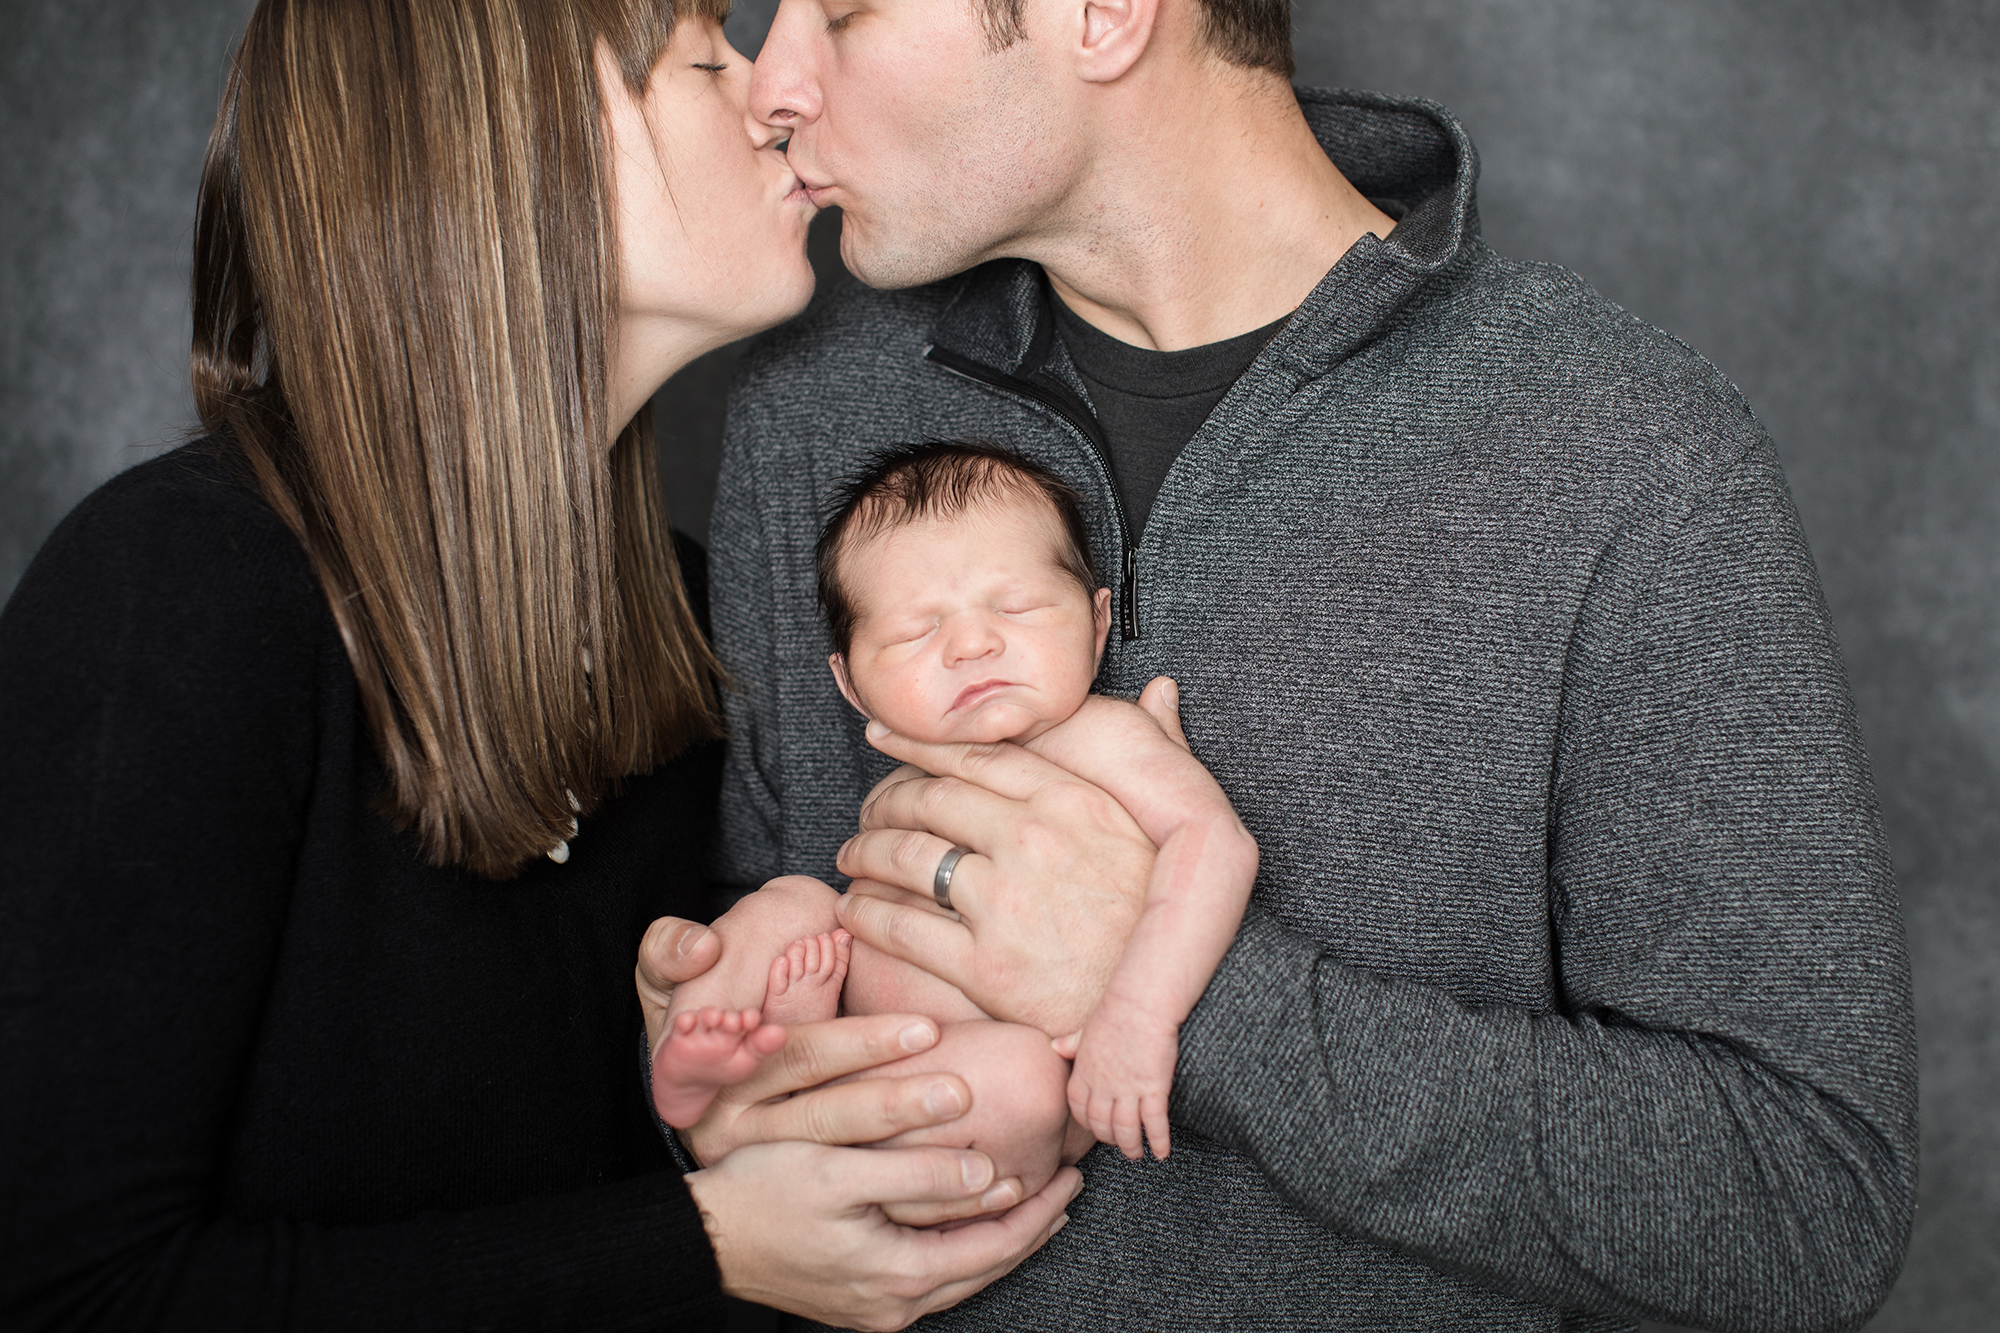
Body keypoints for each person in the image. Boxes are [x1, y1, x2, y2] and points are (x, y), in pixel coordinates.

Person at [641, 0, 1919, 1328]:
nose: (769, 84)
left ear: (1103, 15)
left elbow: (1802, 1202)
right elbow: (767, 931)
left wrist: (1187, 1001)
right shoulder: (816, 410)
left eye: (843, 11)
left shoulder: (1624, 453)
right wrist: (709, 1055)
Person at [0, 1, 1079, 1329]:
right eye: (706, 58)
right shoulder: (174, 591)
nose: (778, 95)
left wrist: (752, 1096)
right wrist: (705, 1241)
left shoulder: (690, 618)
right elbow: (64, 1293)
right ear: (514, 153)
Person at [653, 441, 1257, 1164]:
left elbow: (1216, 843)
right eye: (917, 630)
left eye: (1017, 607)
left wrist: (1138, 1012)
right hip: (846, 1027)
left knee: (1022, 1081)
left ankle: (832, 1125)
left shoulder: (1104, 737)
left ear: (1097, 624)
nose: (972, 644)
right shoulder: (910, 769)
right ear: (851, 685)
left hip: (992, 1078)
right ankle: (704, 1051)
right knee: (788, 902)